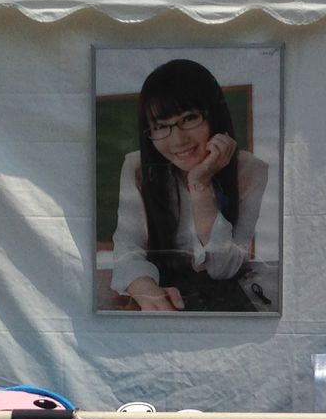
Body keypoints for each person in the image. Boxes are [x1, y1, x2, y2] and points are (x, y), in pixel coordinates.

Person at [110, 59, 268, 311]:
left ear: (214, 115)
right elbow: (127, 247)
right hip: (162, 294)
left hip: (227, 302)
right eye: (160, 126)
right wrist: (144, 288)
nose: (178, 140)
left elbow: (223, 268)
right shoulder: (137, 168)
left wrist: (200, 184)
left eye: (189, 118)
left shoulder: (250, 170)